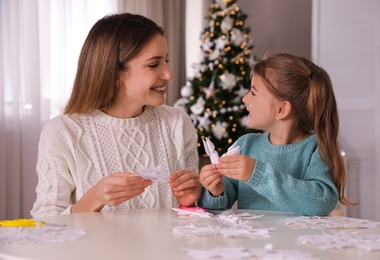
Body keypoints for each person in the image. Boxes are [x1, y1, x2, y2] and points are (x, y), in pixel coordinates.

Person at [31, 13, 200, 218]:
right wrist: (95, 198)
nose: (169, 74)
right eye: (154, 64)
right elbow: (44, 220)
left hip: (169, 250)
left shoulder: (177, 123)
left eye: (166, 60)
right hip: (93, 251)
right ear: (114, 73)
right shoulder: (62, 132)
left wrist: (191, 201)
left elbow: (190, 218)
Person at [197, 52, 352, 216]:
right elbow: (216, 206)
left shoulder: (315, 148)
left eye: (253, 93)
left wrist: (257, 174)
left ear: (281, 110)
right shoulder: (245, 144)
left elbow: (320, 203)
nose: (245, 99)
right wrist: (216, 191)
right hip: (252, 240)